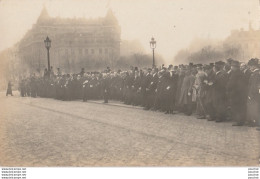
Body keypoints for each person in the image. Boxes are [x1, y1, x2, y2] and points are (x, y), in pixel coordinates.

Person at [226, 60, 246, 126]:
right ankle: (240, 121)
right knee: (238, 107)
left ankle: (239, 121)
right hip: (238, 94)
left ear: (236, 67)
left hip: (236, 94)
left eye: (232, 66)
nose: (231, 67)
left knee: (237, 107)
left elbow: (232, 84)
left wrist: (228, 87)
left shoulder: (236, 74)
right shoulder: (239, 73)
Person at [246, 58, 260, 127]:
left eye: (251, 66)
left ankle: (255, 122)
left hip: (254, 94)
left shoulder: (256, 74)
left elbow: (254, 86)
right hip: (254, 94)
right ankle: (255, 121)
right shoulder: (255, 73)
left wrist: (250, 94)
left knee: (254, 108)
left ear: (254, 66)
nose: (250, 68)